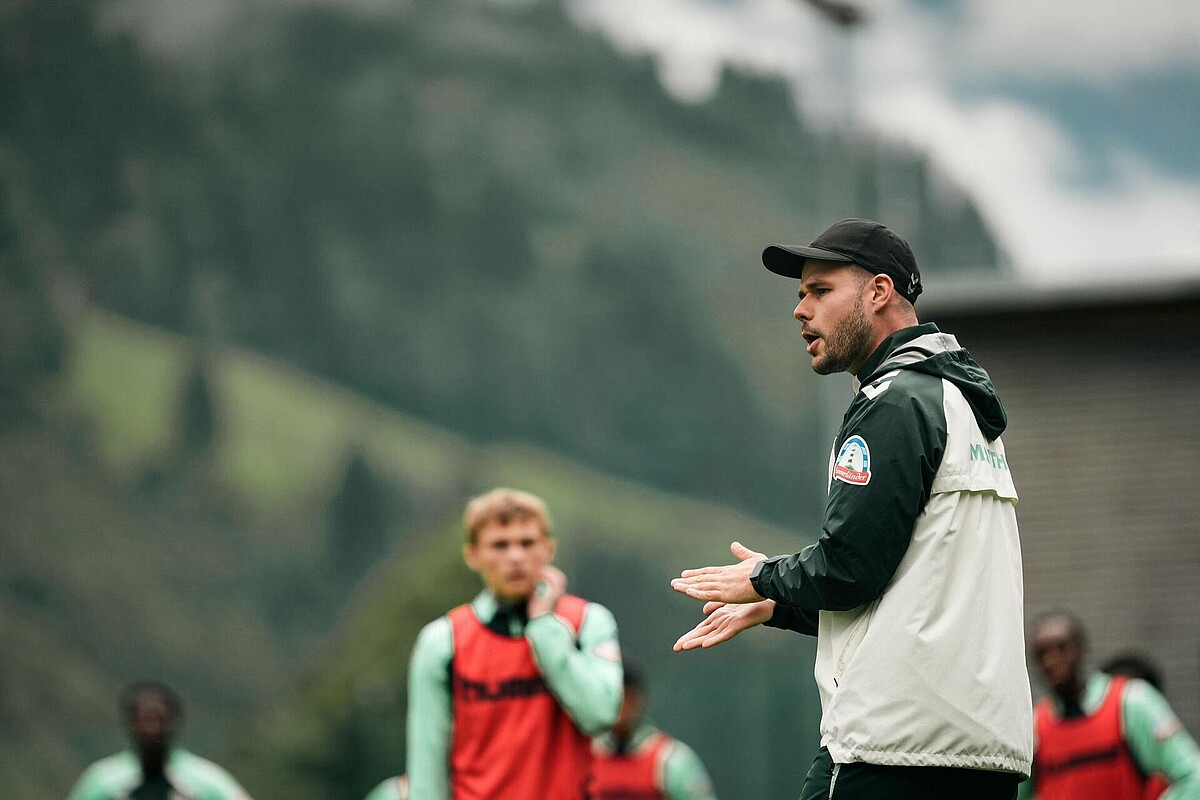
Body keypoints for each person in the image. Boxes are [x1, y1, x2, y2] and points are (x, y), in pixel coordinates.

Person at [670, 218, 1032, 798]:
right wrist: (777, 604)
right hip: (985, 752)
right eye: (800, 295)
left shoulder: (894, 403)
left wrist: (764, 576)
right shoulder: (964, 404)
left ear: (879, 292)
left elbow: (853, 565)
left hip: (892, 747)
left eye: (820, 291)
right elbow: (910, 590)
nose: (800, 310)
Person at [406, 487, 623, 800]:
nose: (516, 556)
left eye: (527, 543)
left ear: (548, 549)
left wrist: (544, 627)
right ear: (473, 555)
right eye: (500, 545)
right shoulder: (442, 642)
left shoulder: (588, 621)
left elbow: (601, 714)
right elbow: (427, 769)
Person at [1019, 611, 1200, 799]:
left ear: (1080, 648)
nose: (1052, 660)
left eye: (1062, 648)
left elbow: (1193, 777)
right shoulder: (1034, 726)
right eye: (1042, 654)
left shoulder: (1130, 702)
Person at [66, 680, 252, 800]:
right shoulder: (102, 781)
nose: (152, 728)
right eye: (144, 720)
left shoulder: (207, 781)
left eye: (159, 719)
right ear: (131, 723)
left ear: (173, 722)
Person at [591, 664, 718, 800]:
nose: (621, 706)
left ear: (641, 701)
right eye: (612, 695)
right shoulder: (585, 754)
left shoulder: (669, 759)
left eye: (627, 697)